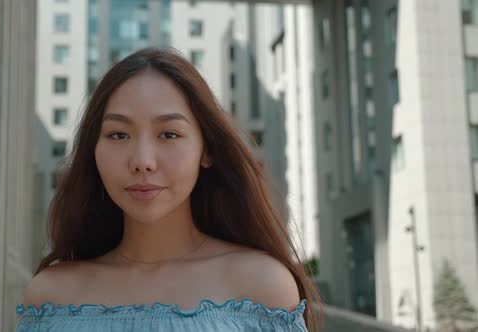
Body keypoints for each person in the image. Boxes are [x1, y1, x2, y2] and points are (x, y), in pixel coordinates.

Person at [16, 47, 321, 331]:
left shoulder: (262, 287)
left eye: (169, 134)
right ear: (92, 151)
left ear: (207, 150)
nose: (142, 161)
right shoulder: (51, 297)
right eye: (119, 135)